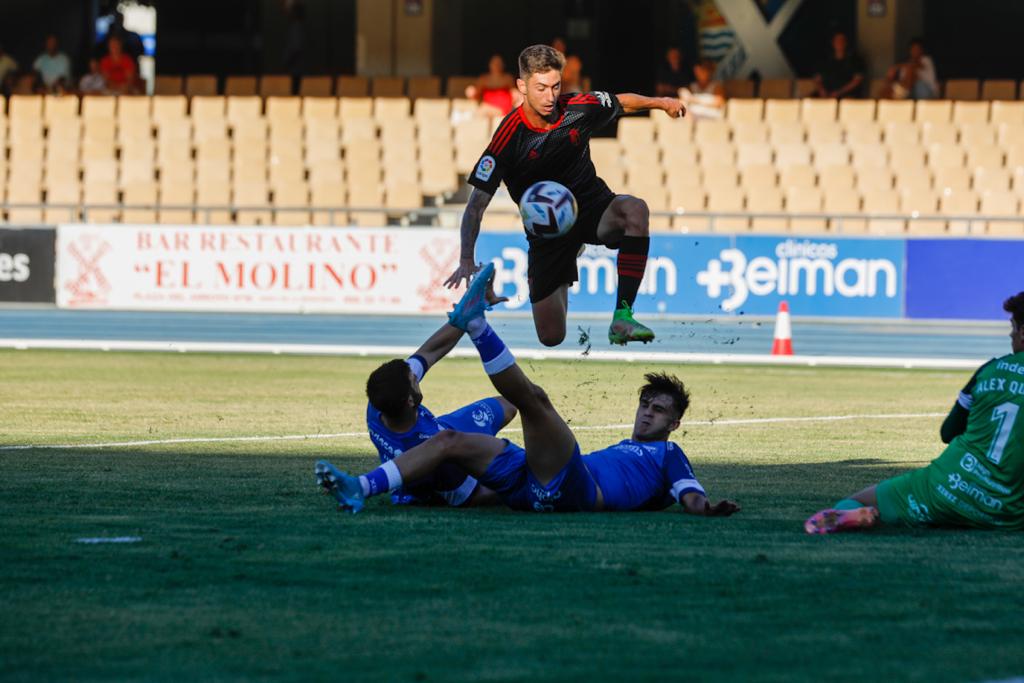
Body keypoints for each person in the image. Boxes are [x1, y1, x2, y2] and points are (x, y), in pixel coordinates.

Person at [318, 265, 740, 517]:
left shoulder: (668, 455)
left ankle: (478, 324)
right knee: (448, 440)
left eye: (660, 410)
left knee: (533, 401)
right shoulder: (625, 448)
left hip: (575, 487)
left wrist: (705, 508)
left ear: (676, 423)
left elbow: (688, 492)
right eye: (645, 404)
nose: (647, 413)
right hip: (531, 484)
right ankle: (362, 486)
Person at [444, 44, 687, 347]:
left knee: (636, 210)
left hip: (591, 205)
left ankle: (622, 317)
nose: (550, 97)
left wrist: (662, 102)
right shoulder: (508, 137)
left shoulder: (577, 108)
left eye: (555, 87)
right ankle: (569, 252)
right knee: (551, 336)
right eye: (541, 88)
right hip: (547, 233)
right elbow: (476, 205)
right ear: (522, 86)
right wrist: (467, 257)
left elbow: (622, 102)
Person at [805, 292, 1024, 534]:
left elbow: (948, 432)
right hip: (1008, 513)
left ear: (1023, 333)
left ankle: (861, 515)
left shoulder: (989, 369)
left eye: (1013, 327)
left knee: (859, 501)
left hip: (947, 486)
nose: (1010, 335)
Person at [361, 278, 515, 508]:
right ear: (410, 401)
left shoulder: (378, 406)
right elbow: (476, 496)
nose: (417, 375)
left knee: (510, 404)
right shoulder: (434, 452)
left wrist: (466, 314)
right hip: (448, 448)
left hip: (445, 429)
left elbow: (431, 350)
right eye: (414, 379)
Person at [813, 30, 864, 99]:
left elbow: (857, 80)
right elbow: (817, 79)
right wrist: (822, 90)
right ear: (833, 43)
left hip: (847, 95)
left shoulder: (855, 60)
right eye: (837, 41)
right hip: (826, 94)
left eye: (841, 41)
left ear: (846, 43)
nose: (839, 43)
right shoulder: (825, 60)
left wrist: (839, 92)